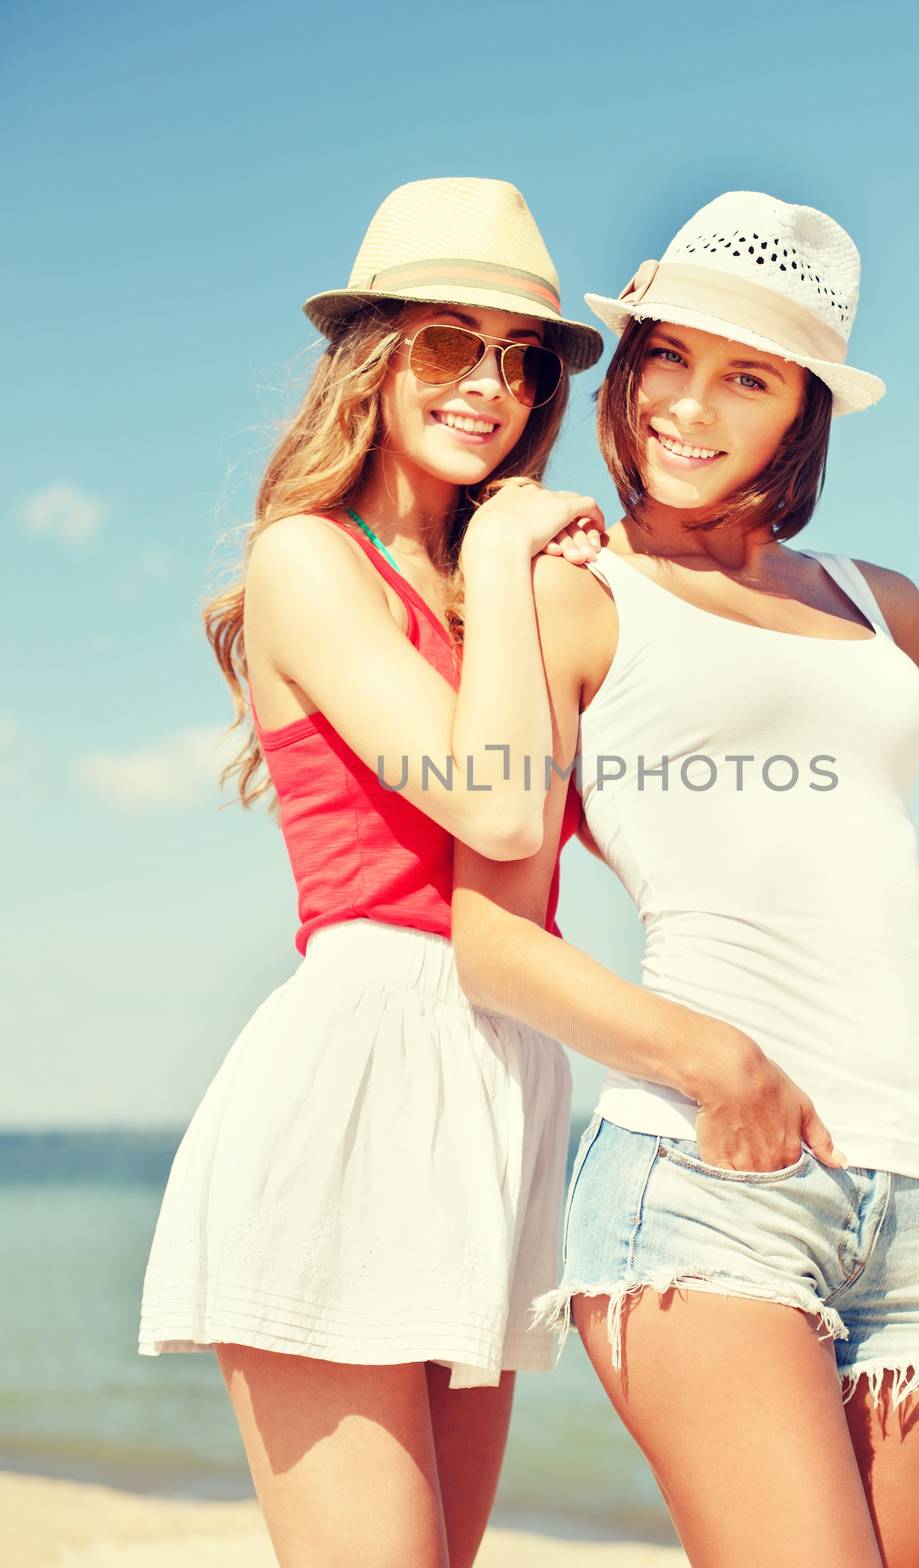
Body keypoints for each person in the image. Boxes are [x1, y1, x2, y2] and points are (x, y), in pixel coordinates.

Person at [451, 190, 919, 1568]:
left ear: (802, 411)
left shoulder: (881, 601)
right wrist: (721, 1065)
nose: (688, 407)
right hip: (709, 1183)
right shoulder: (574, 590)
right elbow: (491, 937)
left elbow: (849, 878)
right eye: (667, 357)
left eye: (748, 376)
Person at [137, 177, 606, 1568]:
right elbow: (498, 808)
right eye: (452, 343)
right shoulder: (305, 559)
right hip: (362, 1064)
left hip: (505, 1073)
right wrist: (521, 545)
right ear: (374, 356)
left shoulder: (499, 583)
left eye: (519, 359)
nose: (493, 385)